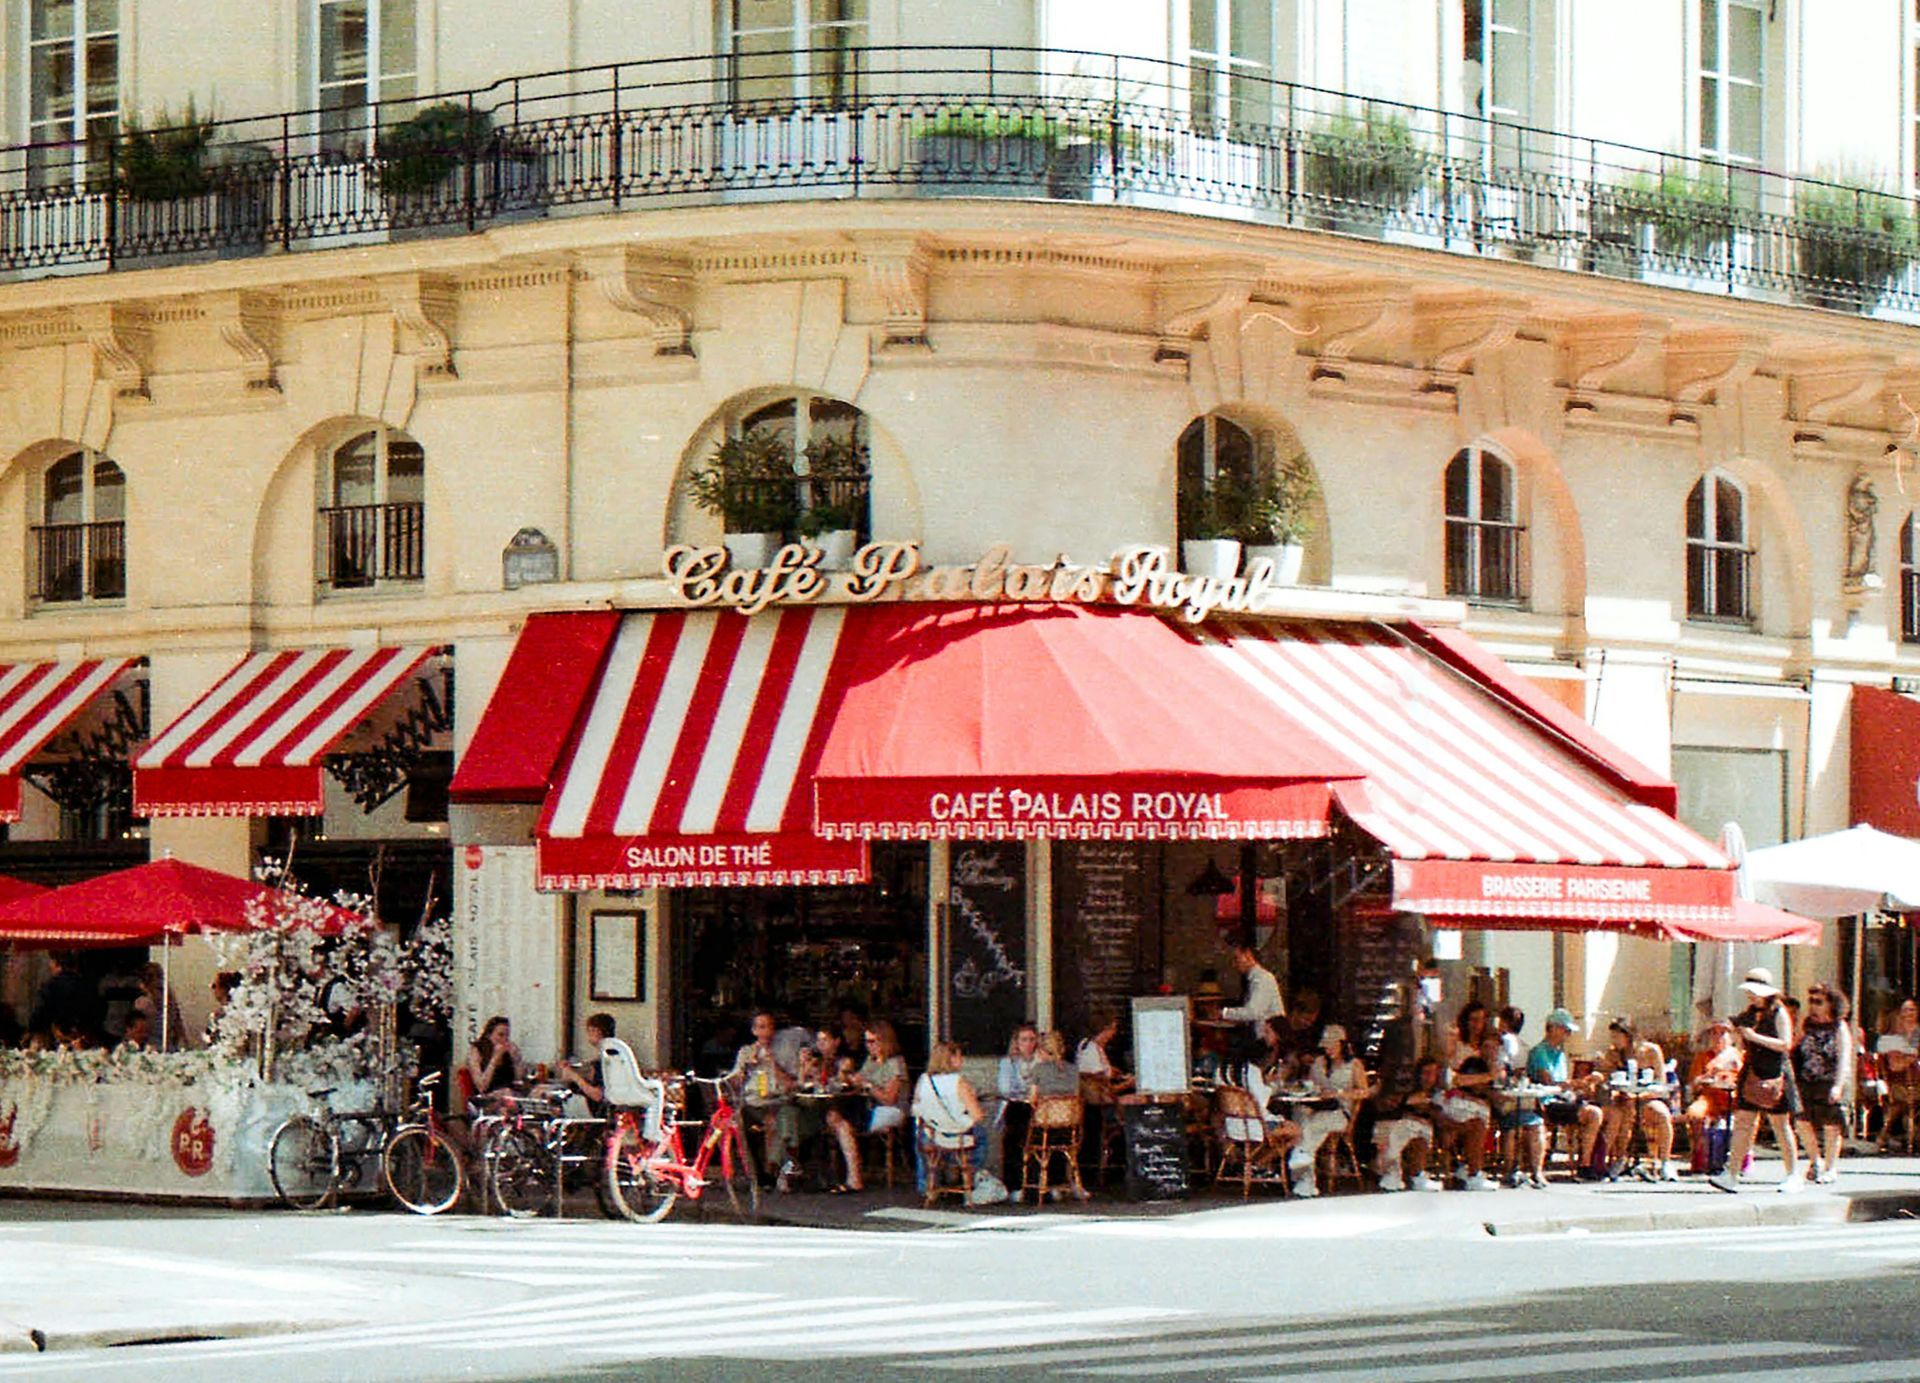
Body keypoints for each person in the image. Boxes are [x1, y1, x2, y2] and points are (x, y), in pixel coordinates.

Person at [1711, 967, 1803, 1194]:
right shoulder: (1750, 1013)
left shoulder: (1778, 1012)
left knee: (1781, 1125)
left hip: (1775, 1074)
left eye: (1755, 991)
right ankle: (1731, 1173)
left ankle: (1793, 1174)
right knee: (1743, 1122)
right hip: (1752, 1073)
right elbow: (1738, 1034)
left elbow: (1785, 1044)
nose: (1751, 996)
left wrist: (1755, 1038)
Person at [1287, 1024, 1371, 1199]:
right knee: (1301, 1116)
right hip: (1319, 1106)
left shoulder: (1354, 1065)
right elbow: (1311, 1084)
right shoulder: (1319, 1063)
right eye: (1326, 1046)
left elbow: (1364, 1092)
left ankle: (1302, 1169)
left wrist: (1340, 1093)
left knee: (1314, 1124)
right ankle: (1306, 1174)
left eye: (1333, 1045)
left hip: (1341, 1112)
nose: (1329, 1050)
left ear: (1342, 1044)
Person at [1522, 1008, 1605, 1185]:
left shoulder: (1559, 1054)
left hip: (1563, 1099)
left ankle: (1592, 1162)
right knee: (1593, 1114)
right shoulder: (1540, 1052)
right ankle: (1585, 1165)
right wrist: (1579, 1082)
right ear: (1552, 1028)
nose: (1567, 1035)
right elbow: (1549, 1083)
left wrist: (1581, 1086)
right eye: (1564, 1030)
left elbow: (1563, 1085)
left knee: (1602, 1110)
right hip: (1548, 1102)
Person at [824, 1019, 908, 1193]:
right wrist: (846, 1076)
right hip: (867, 1106)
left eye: (872, 1041)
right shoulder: (871, 1060)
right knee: (836, 1118)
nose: (869, 1046)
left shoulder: (895, 1063)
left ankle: (853, 1176)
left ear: (884, 1041)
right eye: (866, 1041)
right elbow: (857, 1084)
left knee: (842, 1120)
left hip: (890, 1110)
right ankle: (851, 1176)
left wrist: (868, 1085)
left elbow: (890, 1099)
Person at [1596, 1019, 1677, 1181]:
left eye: (1617, 1036)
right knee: (1624, 1114)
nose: (1614, 1041)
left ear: (1628, 1036)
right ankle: (1620, 1159)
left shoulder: (1651, 1051)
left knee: (1662, 1114)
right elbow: (1607, 1079)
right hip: (1625, 1098)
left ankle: (1665, 1162)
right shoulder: (1614, 1054)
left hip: (1648, 1097)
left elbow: (1661, 1081)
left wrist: (1643, 1095)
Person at [1792, 983, 1854, 1186]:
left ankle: (1830, 1167)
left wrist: (1838, 1085)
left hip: (1829, 1080)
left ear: (1830, 1004)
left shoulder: (1839, 1027)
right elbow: (1794, 1046)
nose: (1813, 1006)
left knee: (1831, 1126)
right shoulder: (1807, 1023)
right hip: (1807, 1079)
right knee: (1802, 1122)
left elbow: (1845, 1057)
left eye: (1818, 1002)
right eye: (1811, 1001)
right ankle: (1814, 1160)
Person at [911, 1041, 991, 1194]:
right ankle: (967, 1176)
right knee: (981, 1135)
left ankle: (926, 1184)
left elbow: (916, 1109)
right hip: (957, 1134)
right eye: (959, 1056)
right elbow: (977, 1115)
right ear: (952, 1058)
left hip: (932, 1135)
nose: (962, 1061)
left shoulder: (924, 1080)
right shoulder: (958, 1082)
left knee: (919, 1132)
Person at [1437, 1027, 1501, 1191]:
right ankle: (1474, 1173)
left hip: (1468, 1106)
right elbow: (1458, 1081)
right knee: (1478, 1123)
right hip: (1450, 1107)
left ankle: (1468, 1168)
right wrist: (1488, 1077)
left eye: (1494, 1047)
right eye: (1487, 1047)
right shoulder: (1466, 1063)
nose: (1490, 1051)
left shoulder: (1495, 1067)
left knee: (1484, 1119)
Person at [1372, 1056, 1445, 1192]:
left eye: (1432, 1073)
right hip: (1399, 1127)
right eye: (1425, 1073)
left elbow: (1437, 1115)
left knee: (1408, 1131)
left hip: (1423, 1129)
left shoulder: (1437, 1094)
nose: (1429, 1077)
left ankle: (1400, 1173)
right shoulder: (1408, 1089)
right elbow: (1387, 1104)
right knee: (1393, 1129)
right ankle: (1393, 1172)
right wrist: (1408, 1102)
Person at [1684, 1019, 1743, 1170]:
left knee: (1746, 1118)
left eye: (1723, 1033)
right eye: (1714, 1033)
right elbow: (1693, 1084)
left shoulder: (1739, 1056)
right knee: (1695, 1114)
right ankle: (1702, 1156)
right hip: (1709, 1098)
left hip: (1734, 1099)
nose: (1718, 1037)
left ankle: (1740, 1158)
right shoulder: (1703, 1057)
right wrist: (1708, 1075)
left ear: (1730, 1037)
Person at [997, 1023, 1041, 1184]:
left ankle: (1042, 1182)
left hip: (1040, 1108)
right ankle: (1014, 1184)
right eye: (1024, 1040)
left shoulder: (1041, 1062)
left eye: (1032, 1039)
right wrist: (1028, 1090)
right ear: (1016, 1042)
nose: (1028, 1044)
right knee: (1015, 1136)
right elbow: (1005, 1089)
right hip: (1017, 1106)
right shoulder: (1008, 1063)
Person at [1876, 997, 1920, 1153]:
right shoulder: (1892, 1039)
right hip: (1900, 1085)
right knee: (1903, 1099)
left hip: (1915, 1081)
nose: (1908, 1014)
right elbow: (1894, 1066)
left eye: (1911, 1010)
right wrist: (1910, 1059)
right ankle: (1887, 1134)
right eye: (1904, 1010)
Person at [1220, 946, 1284, 1049]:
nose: (1234, 964)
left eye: (1236, 958)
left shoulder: (1263, 979)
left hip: (1268, 1040)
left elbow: (1253, 1012)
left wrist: (1224, 1013)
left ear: (1248, 955)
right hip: (1261, 1038)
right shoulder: (1254, 980)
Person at [558, 1012, 615, 1115]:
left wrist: (575, 1077)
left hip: (600, 1112)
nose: (588, 1035)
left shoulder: (607, 1060)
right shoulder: (605, 1057)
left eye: (591, 1031)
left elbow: (598, 1095)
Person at [464, 1015, 522, 1103]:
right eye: (500, 1035)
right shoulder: (477, 1051)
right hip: (486, 1099)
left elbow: (519, 1081)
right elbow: (482, 1087)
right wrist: (494, 1059)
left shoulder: (508, 1053)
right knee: (507, 1095)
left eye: (507, 1036)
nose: (504, 1039)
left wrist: (516, 1060)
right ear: (488, 1035)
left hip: (508, 1095)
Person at [1075, 1016, 1136, 1096]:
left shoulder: (1088, 1044)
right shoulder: (1090, 1053)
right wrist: (1128, 1084)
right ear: (1106, 1030)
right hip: (1099, 1103)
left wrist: (1111, 1071)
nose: (1114, 1033)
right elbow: (1103, 1092)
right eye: (1113, 1029)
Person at [130, 963, 185, 1052]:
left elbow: (178, 1025)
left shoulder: (146, 1002)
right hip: (159, 1045)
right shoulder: (166, 1000)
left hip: (158, 1045)